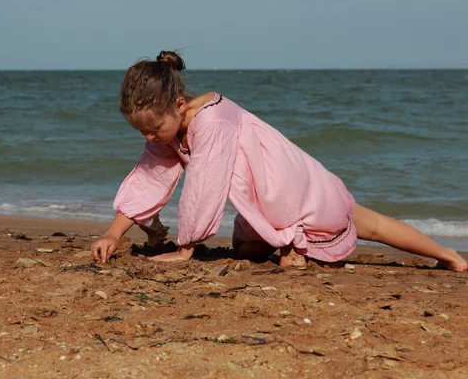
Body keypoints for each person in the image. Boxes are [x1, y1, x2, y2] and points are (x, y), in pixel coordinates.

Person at [90, 51, 467, 272]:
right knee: (245, 250)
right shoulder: (171, 128)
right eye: (141, 131)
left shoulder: (212, 120)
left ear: (178, 104)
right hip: (277, 198)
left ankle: (445, 254)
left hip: (296, 194)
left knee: (372, 224)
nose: (150, 138)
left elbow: (204, 186)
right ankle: (448, 256)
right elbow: (149, 177)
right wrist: (113, 234)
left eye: (154, 129)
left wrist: (186, 248)